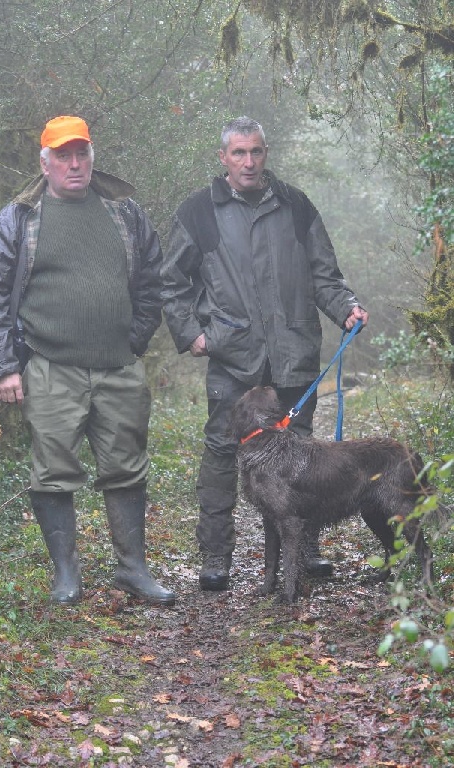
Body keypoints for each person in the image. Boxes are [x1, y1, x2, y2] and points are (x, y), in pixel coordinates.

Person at [0, 115, 175, 606]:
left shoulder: (124, 213)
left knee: (127, 468)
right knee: (53, 470)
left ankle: (134, 569)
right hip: (49, 366)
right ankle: (66, 577)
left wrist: (134, 339)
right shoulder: (18, 218)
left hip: (119, 368)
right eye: (63, 155)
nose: (74, 164)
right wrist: (2, 366)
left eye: (81, 153)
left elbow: (152, 281)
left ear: (92, 156)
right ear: (45, 162)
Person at [161, 116, 368, 591]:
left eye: (256, 152)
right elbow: (171, 282)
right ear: (223, 158)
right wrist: (192, 332)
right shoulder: (197, 212)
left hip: (293, 353)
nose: (248, 162)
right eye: (239, 153)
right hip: (233, 358)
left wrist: (347, 309)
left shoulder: (295, 205)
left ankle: (305, 549)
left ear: (265, 153)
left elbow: (325, 275)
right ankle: (216, 556)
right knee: (220, 452)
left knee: (306, 457)